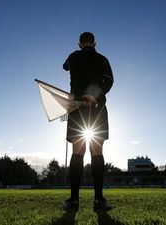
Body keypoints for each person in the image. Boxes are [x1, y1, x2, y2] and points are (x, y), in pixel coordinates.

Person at [62, 32, 114, 212]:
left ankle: (74, 201)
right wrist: (94, 95)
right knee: (97, 152)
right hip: (97, 107)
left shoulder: (73, 56)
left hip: (76, 107)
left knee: (78, 151)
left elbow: (64, 67)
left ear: (79, 44)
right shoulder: (102, 59)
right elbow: (109, 80)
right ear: (95, 44)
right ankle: (99, 200)